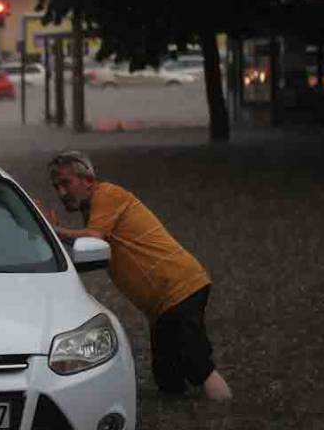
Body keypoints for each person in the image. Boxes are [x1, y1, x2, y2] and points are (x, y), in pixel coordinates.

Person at [43, 150, 232, 401]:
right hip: (162, 304)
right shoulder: (95, 212)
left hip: (179, 289)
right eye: (56, 186)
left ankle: (223, 413)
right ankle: (184, 426)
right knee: (167, 376)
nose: (61, 193)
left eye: (66, 183)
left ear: (88, 180)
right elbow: (93, 251)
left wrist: (51, 230)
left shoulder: (107, 194)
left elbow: (93, 239)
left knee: (198, 364)